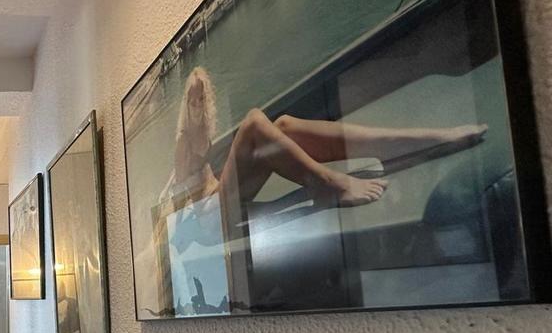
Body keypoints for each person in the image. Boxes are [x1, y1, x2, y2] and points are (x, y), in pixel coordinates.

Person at [163, 66, 487, 210]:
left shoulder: (197, 141)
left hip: (216, 197)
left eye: (201, 100)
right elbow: (188, 197)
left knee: (284, 125)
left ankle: (402, 142)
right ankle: (326, 185)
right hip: (208, 218)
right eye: (195, 102)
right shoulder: (183, 145)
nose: (199, 105)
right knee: (253, 124)